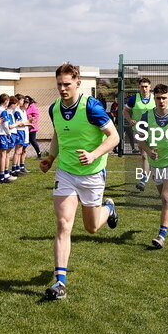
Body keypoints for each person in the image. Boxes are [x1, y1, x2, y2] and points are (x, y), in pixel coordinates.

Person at [40, 63, 120, 300]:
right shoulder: (54, 108)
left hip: (92, 174)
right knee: (64, 224)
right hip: (66, 173)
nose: (62, 89)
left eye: (67, 84)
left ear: (77, 83)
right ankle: (60, 282)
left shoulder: (91, 107)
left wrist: (94, 154)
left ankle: (110, 209)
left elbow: (114, 137)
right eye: (59, 85)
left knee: (91, 228)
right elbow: (58, 134)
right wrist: (50, 157)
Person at [136, 84, 168, 248]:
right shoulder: (146, 117)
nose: (161, 101)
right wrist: (148, 150)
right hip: (156, 164)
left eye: (164, 98)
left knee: (166, 197)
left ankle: (161, 235)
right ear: (154, 99)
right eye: (158, 98)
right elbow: (140, 138)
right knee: (163, 197)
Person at [123, 77, 153, 189]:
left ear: (150, 87)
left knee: (157, 154)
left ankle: (165, 178)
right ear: (139, 87)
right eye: (142, 86)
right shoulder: (134, 99)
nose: (144, 88)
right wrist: (130, 120)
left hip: (155, 130)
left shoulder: (156, 98)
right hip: (139, 130)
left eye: (146, 86)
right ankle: (143, 179)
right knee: (144, 155)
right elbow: (124, 111)